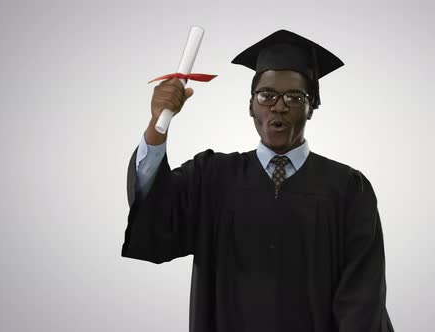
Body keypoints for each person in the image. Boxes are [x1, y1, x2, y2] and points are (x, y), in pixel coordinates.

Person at [121, 29, 395, 332]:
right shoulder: (211, 177)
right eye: (266, 95)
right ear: (250, 105)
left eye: (294, 96)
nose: (279, 106)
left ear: (311, 107)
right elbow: (157, 213)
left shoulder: (347, 189)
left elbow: (362, 299)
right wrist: (157, 125)